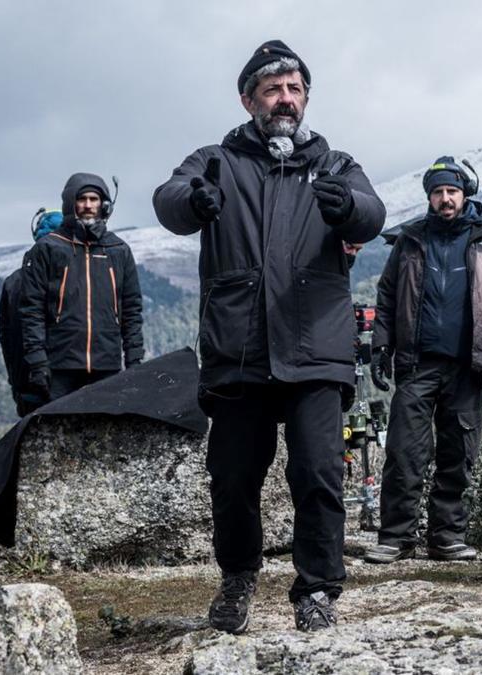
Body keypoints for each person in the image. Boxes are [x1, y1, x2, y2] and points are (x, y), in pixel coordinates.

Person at [152, 40, 386, 633]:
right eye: (273, 89)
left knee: (317, 474)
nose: (286, 99)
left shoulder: (334, 164)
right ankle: (237, 579)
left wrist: (347, 209)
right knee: (232, 480)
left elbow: (371, 213)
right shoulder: (216, 159)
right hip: (240, 350)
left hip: (315, 347)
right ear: (248, 98)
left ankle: (317, 591)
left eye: (295, 89)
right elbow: (170, 201)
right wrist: (195, 199)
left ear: (306, 98)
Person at [364, 157, 482, 565]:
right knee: (403, 452)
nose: (445, 199)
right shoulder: (411, 240)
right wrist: (381, 348)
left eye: (452, 191)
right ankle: (395, 538)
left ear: (465, 194)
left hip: (468, 366)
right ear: (429, 197)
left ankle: (447, 538)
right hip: (417, 365)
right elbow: (388, 297)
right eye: (438, 192)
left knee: (458, 454)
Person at [18, 175, 144, 404]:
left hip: (107, 365)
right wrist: (37, 361)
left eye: (94, 199)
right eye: (82, 199)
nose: (88, 205)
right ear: (70, 204)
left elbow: (132, 309)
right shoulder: (49, 248)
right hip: (59, 367)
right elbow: (31, 309)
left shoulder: (118, 250)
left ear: (104, 205)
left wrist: (135, 360)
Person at [0, 210, 64, 416]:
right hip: (65, 386)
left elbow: (7, 340)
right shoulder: (73, 277)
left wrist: (16, 385)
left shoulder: (13, 282)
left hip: (27, 388)